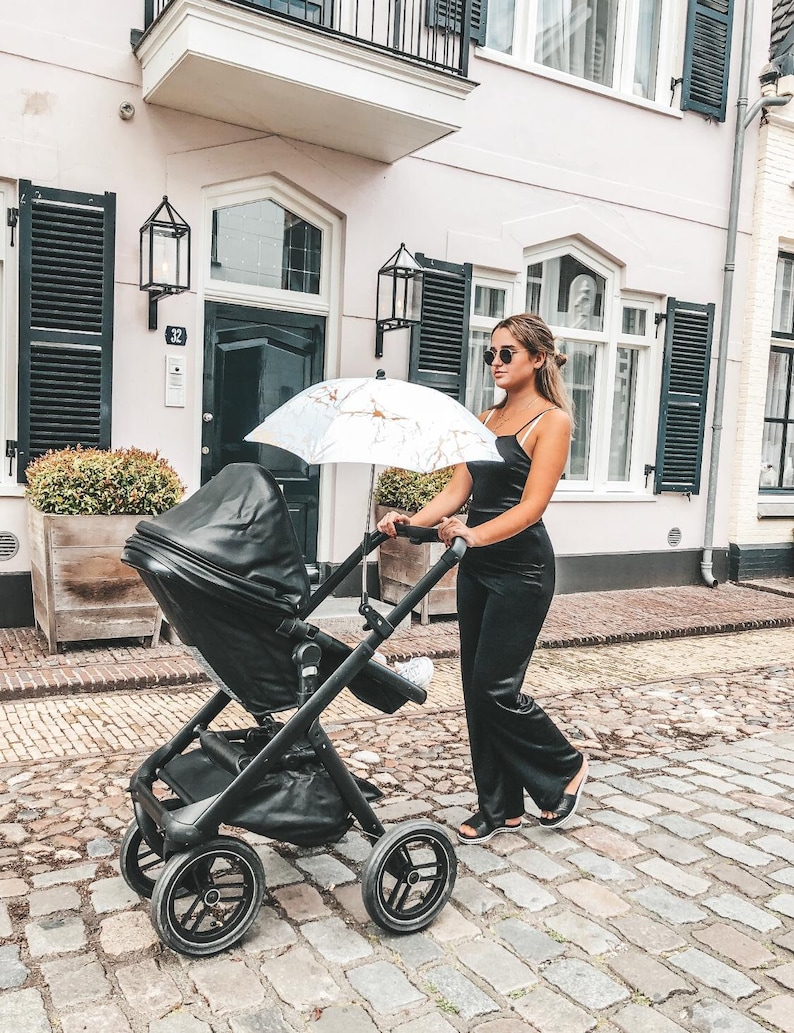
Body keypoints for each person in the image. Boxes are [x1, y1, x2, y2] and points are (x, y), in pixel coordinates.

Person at [378, 313, 587, 843]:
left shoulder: (552, 422)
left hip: (522, 570)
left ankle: (563, 767)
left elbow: (532, 507)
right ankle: (499, 807)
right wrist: (408, 521)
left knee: (497, 689)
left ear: (537, 358)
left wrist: (472, 532)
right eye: (490, 353)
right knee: (476, 690)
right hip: (476, 565)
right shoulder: (485, 418)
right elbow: (454, 493)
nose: (495, 362)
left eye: (506, 353)